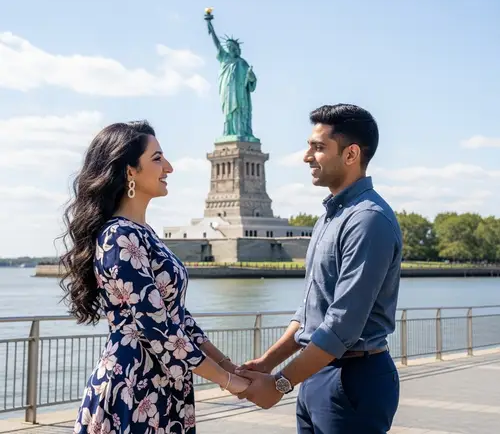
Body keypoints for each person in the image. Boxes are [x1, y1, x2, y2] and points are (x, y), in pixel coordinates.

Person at [59, 120, 249, 434]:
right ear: (130, 170)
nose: (169, 167)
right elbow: (159, 330)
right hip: (132, 388)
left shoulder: (144, 235)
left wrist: (229, 366)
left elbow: (179, 319)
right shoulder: (118, 238)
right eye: (158, 158)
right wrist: (231, 383)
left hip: (160, 386)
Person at [236, 104, 403, 433]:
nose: (306, 156)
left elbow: (341, 326)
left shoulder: (368, 220)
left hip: (352, 379)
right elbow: (309, 313)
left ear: (351, 154)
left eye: (318, 147)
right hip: (318, 374)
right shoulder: (330, 217)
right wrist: (267, 363)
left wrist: (280, 384)